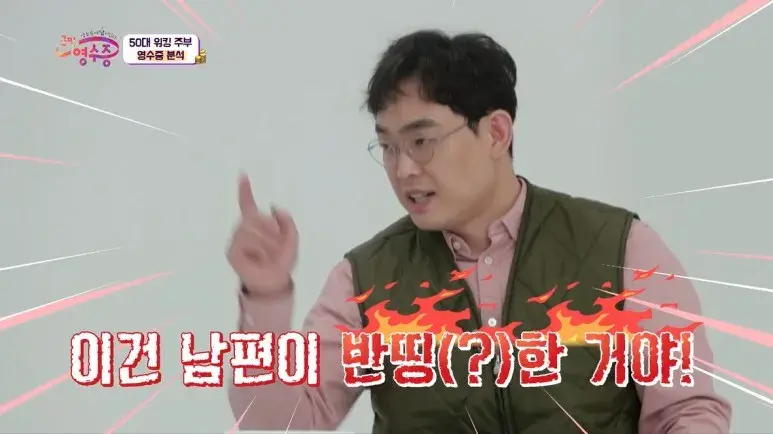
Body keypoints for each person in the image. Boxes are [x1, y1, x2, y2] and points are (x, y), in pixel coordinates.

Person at [227, 30, 732, 433]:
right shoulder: (365, 278)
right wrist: (266, 296)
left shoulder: (620, 247)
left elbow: (685, 410)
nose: (403, 169)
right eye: (388, 147)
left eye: (421, 141)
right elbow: (281, 422)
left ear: (495, 133)